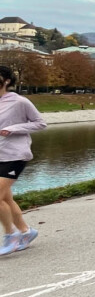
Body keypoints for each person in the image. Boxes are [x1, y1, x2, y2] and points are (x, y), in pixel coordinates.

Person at [0, 64, 47, 256]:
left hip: (15, 155)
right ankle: (27, 232)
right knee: (6, 198)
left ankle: (10, 236)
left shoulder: (20, 102)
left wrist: (14, 129)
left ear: (6, 80)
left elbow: (41, 123)